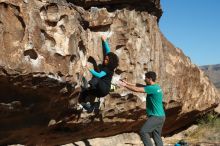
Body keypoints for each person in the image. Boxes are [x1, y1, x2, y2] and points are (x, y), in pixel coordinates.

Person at [120, 71, 165, 146]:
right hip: (161, 116)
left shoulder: (152, 88)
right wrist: (127, 83)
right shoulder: (156, 87)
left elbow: (137, 89)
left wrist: (125, 85)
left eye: (146, 78)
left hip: (156, 116)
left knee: (143, 131)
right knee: (156, 136)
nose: (144, 80)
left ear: (150, 79)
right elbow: (139, 85)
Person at [79, 35, 119, 112]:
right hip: (100, 92)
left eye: (107, 60)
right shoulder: (109, 64)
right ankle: (91, 107)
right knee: (85, 92)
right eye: (105, 59)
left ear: (110, 62)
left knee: (97, 79)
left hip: (104, 88)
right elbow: (108, 51)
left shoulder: (108, 69)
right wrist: (104, 41)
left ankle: (88, 84)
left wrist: (90, 69)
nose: (105, 60)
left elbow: (99, 75)